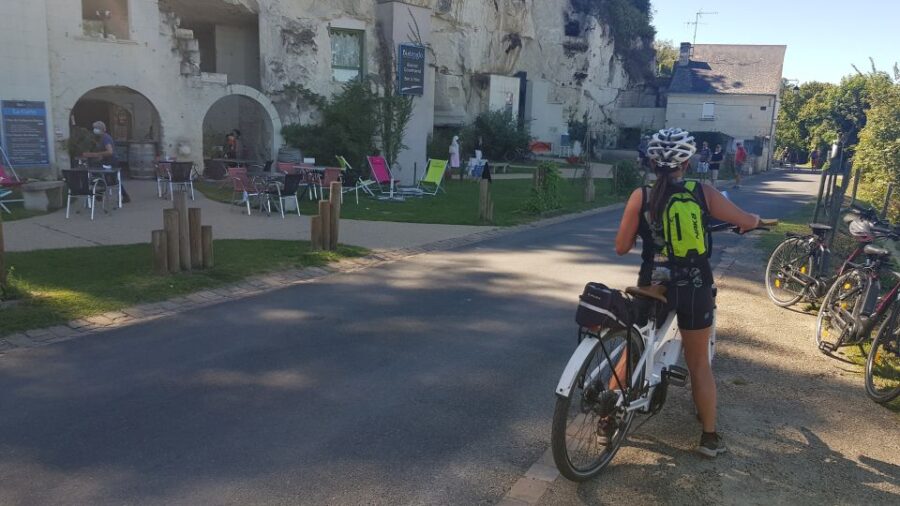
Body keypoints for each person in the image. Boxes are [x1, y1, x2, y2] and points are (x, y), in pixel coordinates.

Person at [614, 128, 761, 458]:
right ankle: (709, 438)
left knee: (633, 350)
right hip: (694, 285)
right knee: (698, 363)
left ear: (652, 163)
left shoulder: (641, 196)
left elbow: (621, 247)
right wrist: (753, 219)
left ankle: (607, 418)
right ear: (688, 162)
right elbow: (743, 220)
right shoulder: (702, 193)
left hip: (652, 284)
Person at [81, 120, 131, 203]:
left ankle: (123, 195)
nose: (94, 130)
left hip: (111, 161)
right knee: (103, 176)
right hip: (106, 161)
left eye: (96, 128)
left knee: (112, 179)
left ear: (101, 129)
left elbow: (110, 151)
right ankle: (100, 193)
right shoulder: (98, 138)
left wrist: (96, 154)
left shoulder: (105, 138)